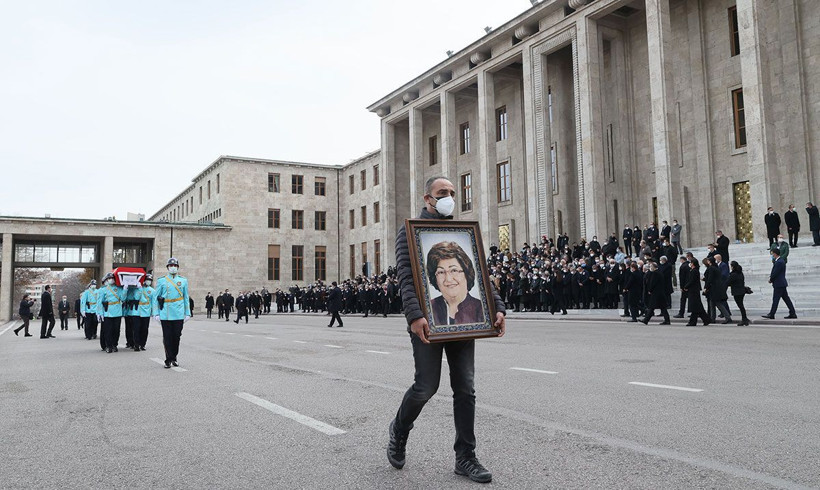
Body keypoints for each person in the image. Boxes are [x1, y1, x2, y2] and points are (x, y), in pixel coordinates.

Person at [388, 176, 506, 484]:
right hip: (428, 321)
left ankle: (465, 457)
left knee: (465, 388)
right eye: (443, 193)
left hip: (466, 322)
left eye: (453, 193)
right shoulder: (410, 230)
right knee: (426, 387)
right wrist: (415, 316)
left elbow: (481, 271)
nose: (450, 197)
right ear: (428, 198)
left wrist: (497, 308)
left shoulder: (461, 233)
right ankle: (400, 429)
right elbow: (405, 274)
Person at [427, 241, 483, 326]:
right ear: (435, 278)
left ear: (466, 273)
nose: (448, 279)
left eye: (454, 270)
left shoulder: (482, 310)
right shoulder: (428, 308)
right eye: (441, 272)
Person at [152, 258, 191, 368]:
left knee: (176, 336)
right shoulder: (162, 281)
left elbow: (186, 297)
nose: (172, 267)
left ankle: (174, 356)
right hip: (166, 312)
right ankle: (169, 359)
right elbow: (155, 298)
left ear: (177, 267)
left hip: (178, 312)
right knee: (167, 337)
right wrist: (156, 313)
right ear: (168, 268)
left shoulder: (183, 281)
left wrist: (187, 313)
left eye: (174, 265)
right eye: (170, 266)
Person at [761, 248, 797, 320]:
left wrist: (771, 279)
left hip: (779, 284)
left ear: (775, 253)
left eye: (772, 253)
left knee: (776, 299)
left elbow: (775, 273)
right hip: (781, 283)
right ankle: (792, 313)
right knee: (786, 299)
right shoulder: (780, 261)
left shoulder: (779, 262)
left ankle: (772, 314)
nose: (772, 255)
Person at [96, 272, 125, 353]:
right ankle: (108, 346)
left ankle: (114, 345)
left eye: (112, 278)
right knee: (108, 330)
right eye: (109, 279)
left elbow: (123, 298)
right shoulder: (103, 290)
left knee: (116, 330)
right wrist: (99, 313)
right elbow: (99, 302)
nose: (111, 280)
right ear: (106, 280)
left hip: (117, 311)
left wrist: (125, 289)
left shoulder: (119, 288)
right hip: (107, 312)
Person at [683, 259, 711, 326]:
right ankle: (706, 319)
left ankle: (693, 321)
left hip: (693, 291)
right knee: (697, 307)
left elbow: (692, 281)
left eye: (691, 263)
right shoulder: (694, 270)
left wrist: (686, 286)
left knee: (695, 306)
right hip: (693, 290)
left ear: (693, 263)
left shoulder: (694, 271)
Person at [725, 261, 749, 326]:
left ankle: (744, 319)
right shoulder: (740, 273)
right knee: (741, 305)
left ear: (733, 266)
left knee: (740, 306)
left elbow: (728, 282)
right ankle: (745, 318)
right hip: (742, 291)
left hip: (737, 291)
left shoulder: (733, 274)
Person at [135, 274, 155, 350]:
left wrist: (154, 313)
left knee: (144, 329)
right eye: (147, 280)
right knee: (137, 329)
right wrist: (139, 289)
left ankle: (142, 344)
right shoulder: (138, 288)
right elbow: (136, 297)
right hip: (138, 311)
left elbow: (154, 302)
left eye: (150, 280)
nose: (148, 281)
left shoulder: (152, 291)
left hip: (146, 311)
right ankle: (136, 344)